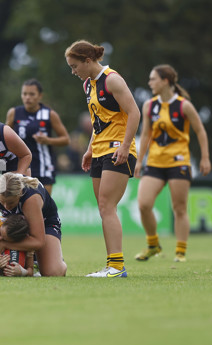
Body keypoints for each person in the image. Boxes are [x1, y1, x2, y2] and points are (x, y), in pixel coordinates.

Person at [65, 40, 140, 278]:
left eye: (75, 66)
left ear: (88, 61)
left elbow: (135, 112)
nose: (73, 71)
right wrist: (89, 149)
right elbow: (100, 122)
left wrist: (126, 147)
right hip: (99, 151)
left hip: (118, 149)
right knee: (103, 208)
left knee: (108, 206)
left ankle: (117, 267)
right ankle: (112, 265)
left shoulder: (112, 80)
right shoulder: (89, 84)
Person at [134, 64, 211, 263]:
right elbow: (146, 134)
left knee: (179, 208)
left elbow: (200, 130)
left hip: (179, 162)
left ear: (165, 81)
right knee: (143, 204)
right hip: (155, 162)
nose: (150, 83)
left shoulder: (184, 105)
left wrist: (204, 157)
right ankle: (153, 245)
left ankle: (180, 250)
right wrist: (139, 160)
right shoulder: (149, 105)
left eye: (153, 79)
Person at [5, 79, 70, 195]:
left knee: (43, 205)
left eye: (31, 94)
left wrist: (48, 140)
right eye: (24, 94)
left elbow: (65, 139)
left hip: (44, 167)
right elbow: (4, 137)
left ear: (40, 96)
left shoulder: (49, 114)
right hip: (21, 166)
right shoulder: (14, 113)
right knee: (21, 206)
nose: (27, 97)